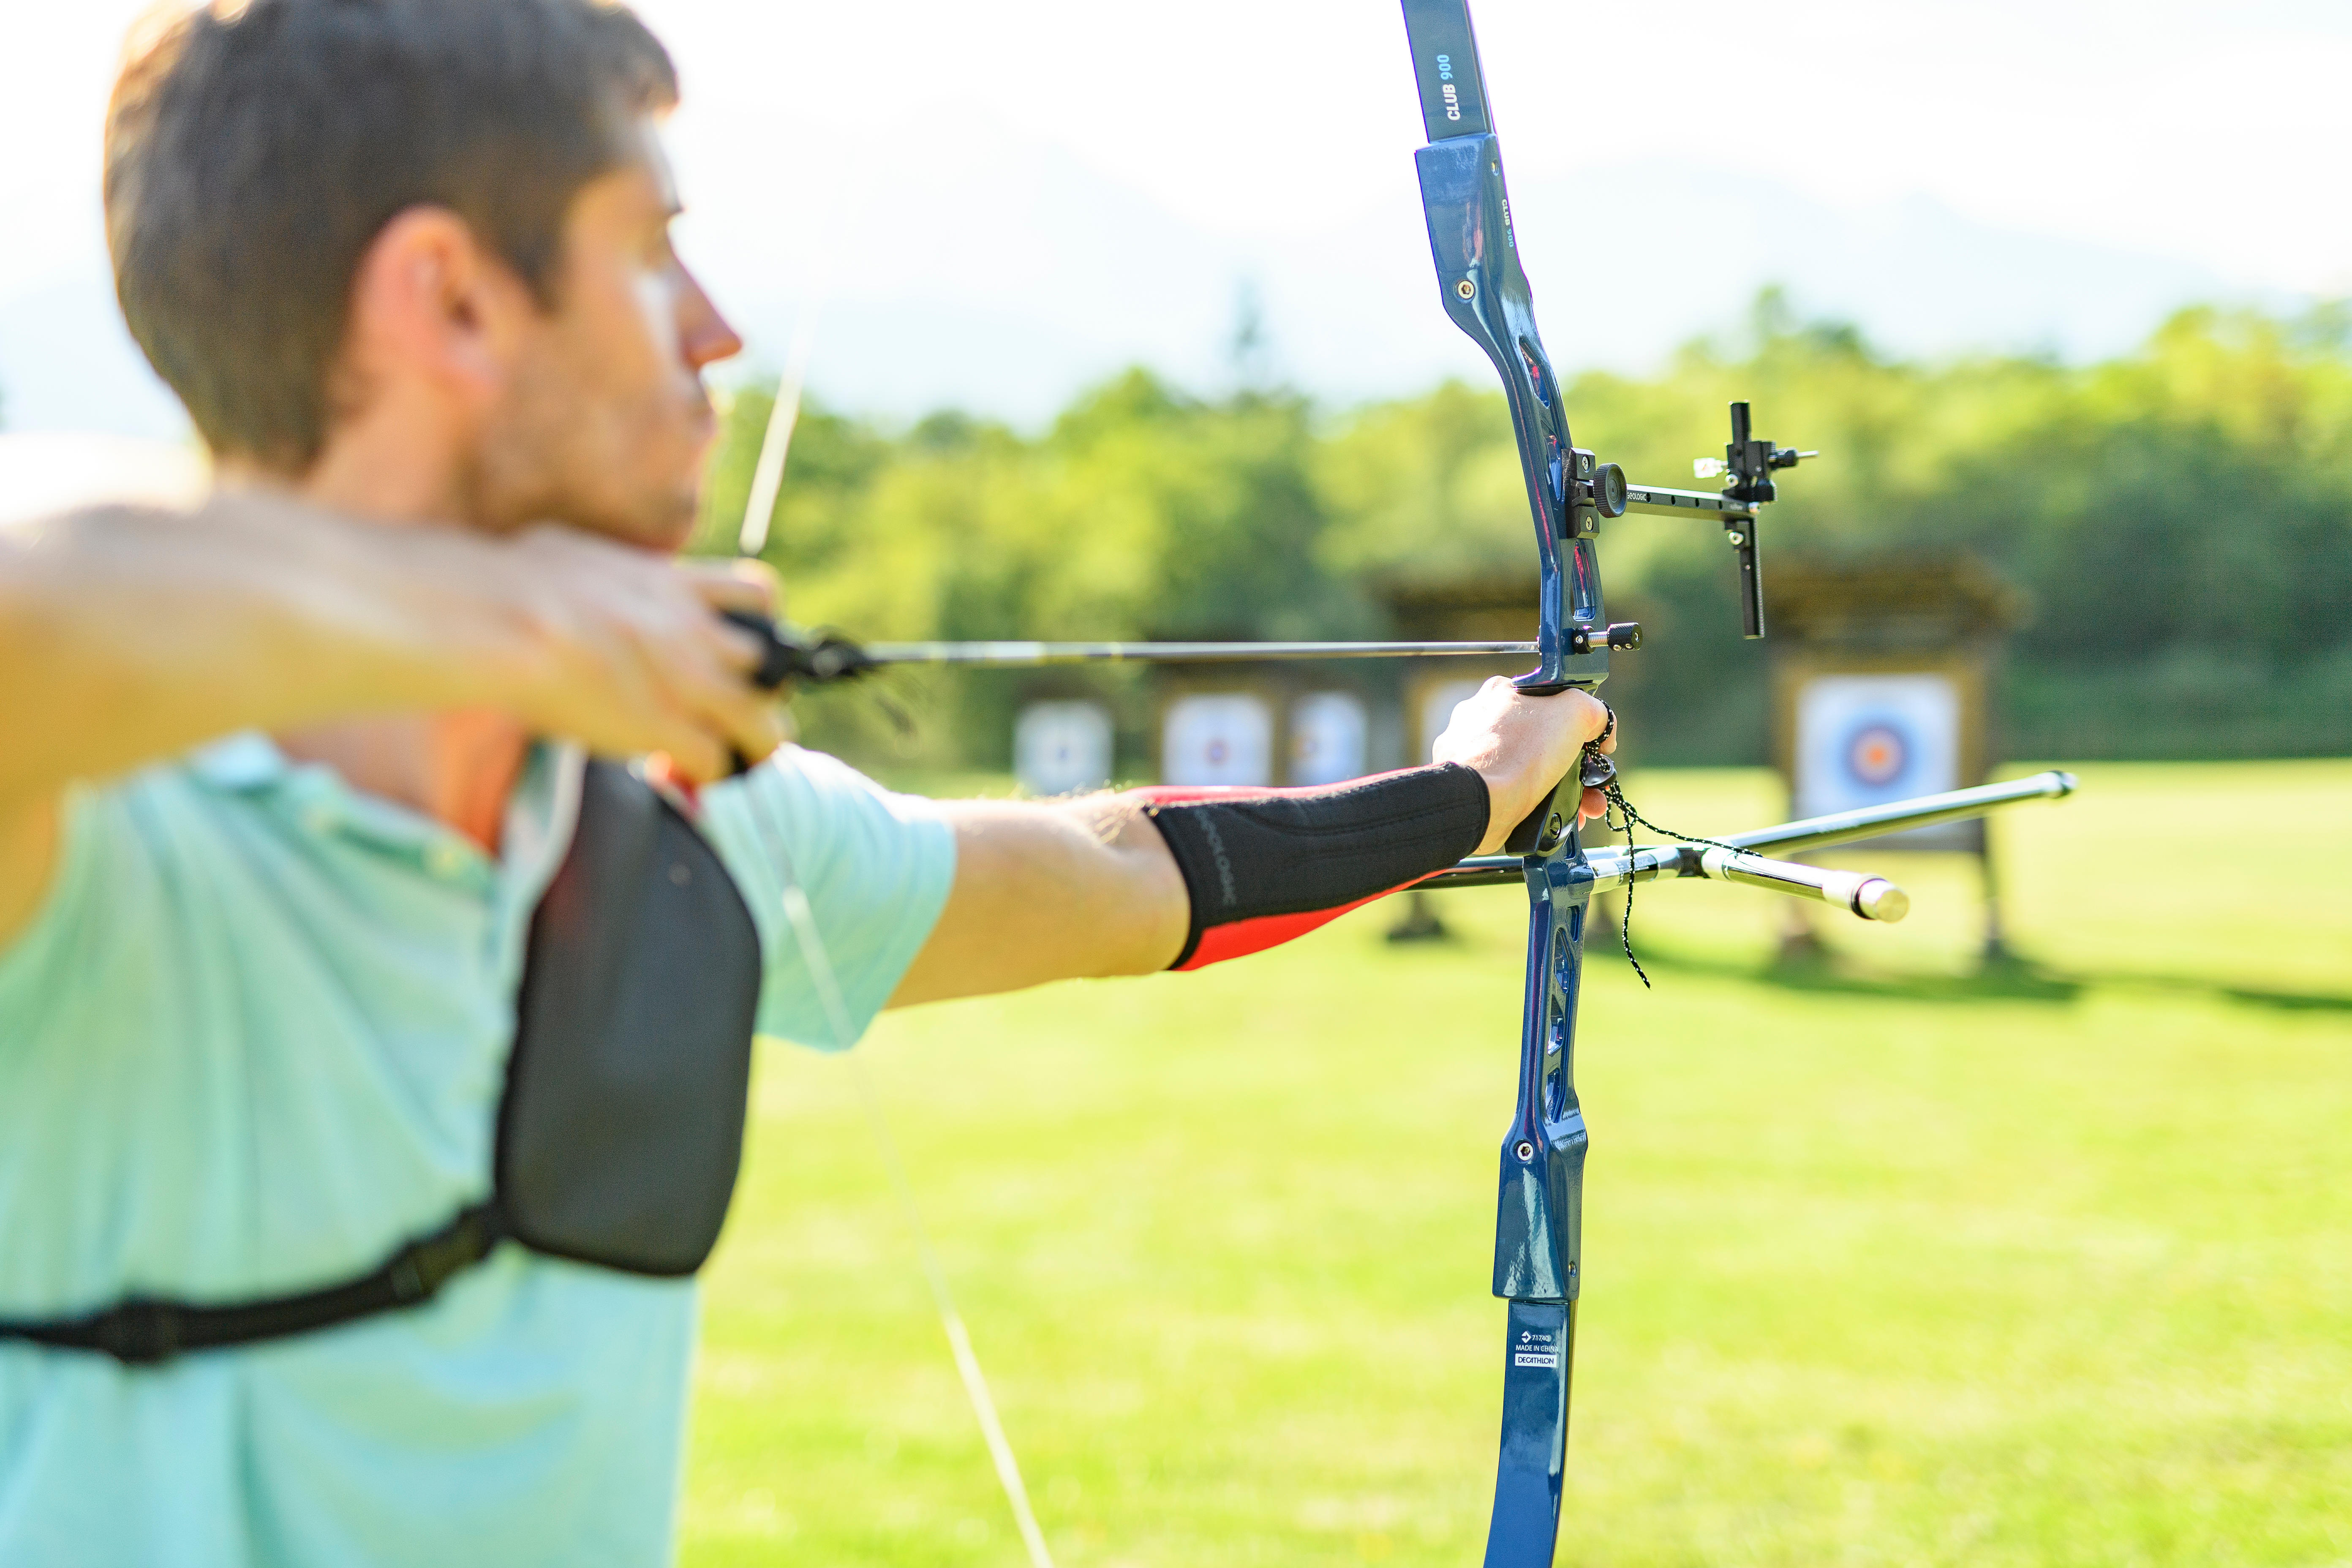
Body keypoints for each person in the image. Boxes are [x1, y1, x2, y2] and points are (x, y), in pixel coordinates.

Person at [0, 1, 1612, 1562]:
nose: (713, 326)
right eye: (649, 249)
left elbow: (1132, 880)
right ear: (455, 301)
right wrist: (502, 623)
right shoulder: (101, 841)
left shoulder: (682, 826)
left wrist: (1475, 785)